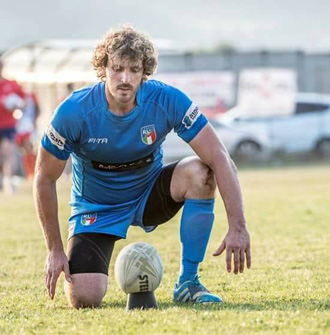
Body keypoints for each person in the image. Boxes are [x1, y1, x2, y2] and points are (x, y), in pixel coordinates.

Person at [33, 26, 251, 308]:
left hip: (148, 194)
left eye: (134, 69)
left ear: (144, 72)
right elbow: (43, 178)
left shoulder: (166, 100)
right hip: (96, 208)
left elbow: (220, 156)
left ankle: (188, 281)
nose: (125, 78)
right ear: (103, 68)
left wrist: (238, 226)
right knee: (85, 297)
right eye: (117, 68)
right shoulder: (74, 112)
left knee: (201, 172)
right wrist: (55, 250)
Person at [0, 59, 26, 193]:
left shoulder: (12, 84)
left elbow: (24, 102)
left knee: (8, 152)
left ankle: (8, 182)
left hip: (8, 125)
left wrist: (14, 103)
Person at [15, 89, 40, 180]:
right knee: (24, 151)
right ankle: (29, 173)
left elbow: (37, 110)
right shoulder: (17, 95)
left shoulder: (31, 95)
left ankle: (32, 172)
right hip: (20, 127)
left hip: (28, 126)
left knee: (29, 149)